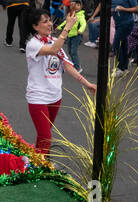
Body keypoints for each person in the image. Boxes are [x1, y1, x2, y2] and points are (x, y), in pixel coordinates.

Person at [24, 11, 96, 154]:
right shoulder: (32, 44)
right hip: (38, 97)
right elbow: (53, 50)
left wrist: (87, 84)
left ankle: (39, 161)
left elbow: (67, 65)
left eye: (49, 20)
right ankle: (43, 169)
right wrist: (67, 28)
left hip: (55, 96)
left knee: (44, 135)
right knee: (46, 136)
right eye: (45, 21)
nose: (50, 24)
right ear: (35, 26)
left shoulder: (53, 40)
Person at [108, 0, 138, 76]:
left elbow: (136, 8)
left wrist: (123, 9)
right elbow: (110, 6)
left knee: (117, 44)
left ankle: (120, 68)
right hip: (117, 22)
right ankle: (124, 67)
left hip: (127, 23)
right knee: (124, 45)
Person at [57, 0, 87, 71]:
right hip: (69, 35)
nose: (75, 7)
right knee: (70, 51)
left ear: (81, 6)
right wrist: (60, 27)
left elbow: (84, 24)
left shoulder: (80, 15)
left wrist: (80, 30)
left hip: (76, 36)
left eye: (77, 5)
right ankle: (75, 64)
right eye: (72, 5)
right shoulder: (71, 14)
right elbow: (65, 22)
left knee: (73, 52)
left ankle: (77, 67)